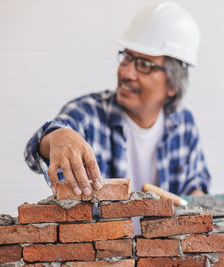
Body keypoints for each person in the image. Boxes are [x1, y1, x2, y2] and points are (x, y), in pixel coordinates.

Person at [24, 2, 211, 197]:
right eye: (127, 58)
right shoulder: (88, 113)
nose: (127, 72)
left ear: (172, 85)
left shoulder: (184, 124)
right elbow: (36, 150)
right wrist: (57, 137)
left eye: (145, 65)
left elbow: (195, 183)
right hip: (101, 229)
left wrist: (196, 205)